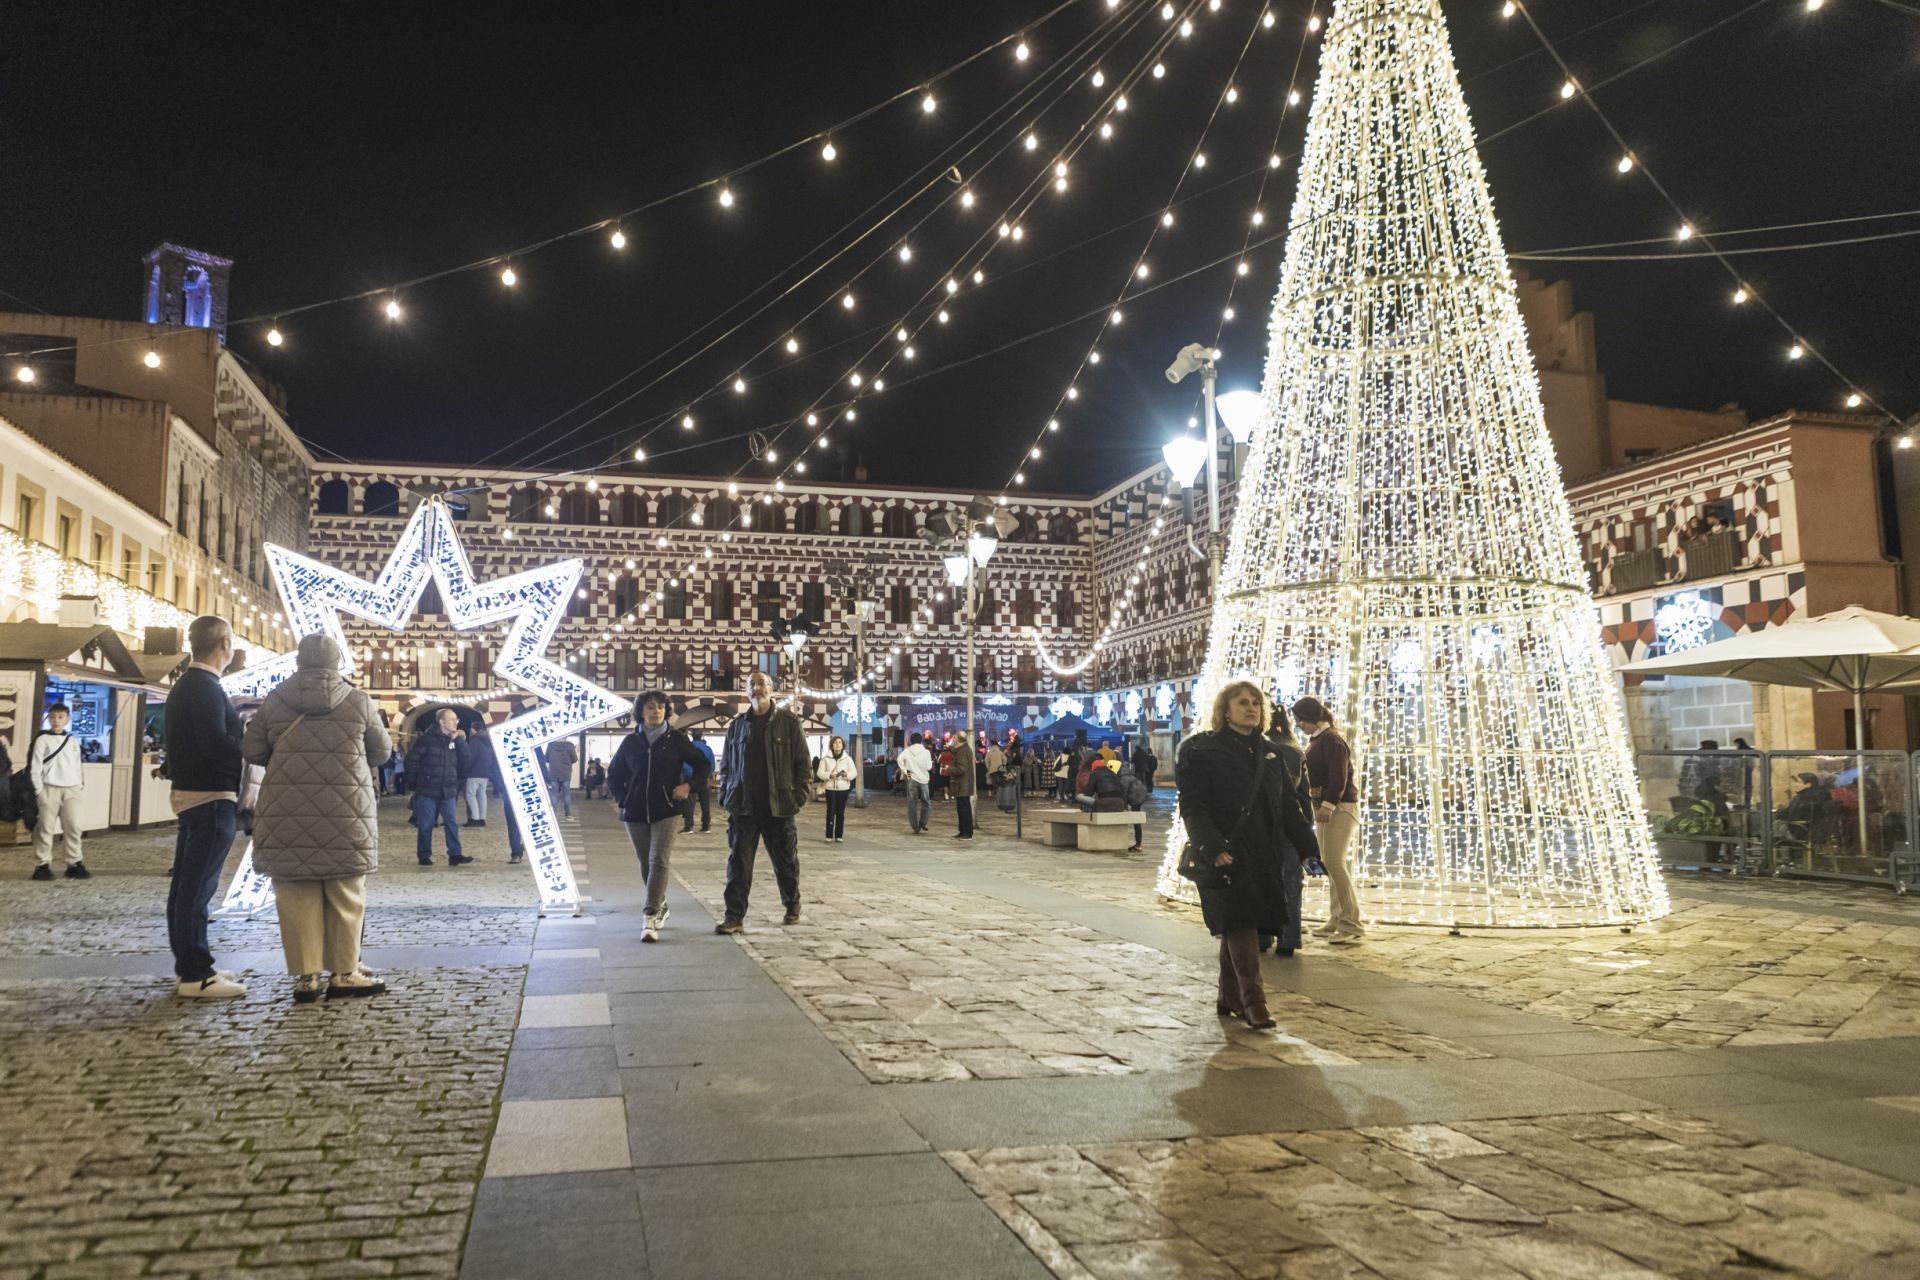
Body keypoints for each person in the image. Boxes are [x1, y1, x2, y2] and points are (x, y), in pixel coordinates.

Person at [243, 633, 392, 1004]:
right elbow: (382, 752)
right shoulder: (358, 700)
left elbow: (252, 750)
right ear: (336, 663)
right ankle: (345, 972)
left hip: (286, 808)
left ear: (298, 661)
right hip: (347, 809)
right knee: (345, 892)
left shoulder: (276, 701)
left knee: (295, 893)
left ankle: (306, 978)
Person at [1178, 680, 1318, 1030]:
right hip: (1227, 852)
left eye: (1256, 703)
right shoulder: (1203, 750)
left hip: (1264, 852)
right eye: (1242, 702)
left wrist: (1307, 851)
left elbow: (1289, 808)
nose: (1251, 708)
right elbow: (1194, 806)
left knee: (1240, 922)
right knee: (1241, 922)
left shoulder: (1271, 754)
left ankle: (1229, 995)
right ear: (1225, 710)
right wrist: (1212, 847)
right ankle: (1254, 1001)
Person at [162, 615, 248, 999]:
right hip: (211, 796)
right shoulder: (205, 688)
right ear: (224, 644)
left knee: (186, 887)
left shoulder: (188, 685)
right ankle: (197, 974)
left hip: (194, 795)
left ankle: (191, 966)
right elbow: (215, 744)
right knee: (197, 890)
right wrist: (244, 739)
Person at [608, 691, 709, 943]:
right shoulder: (631, 742)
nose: (656, 711)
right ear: (641, 711)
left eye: (661, 707)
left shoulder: (676, 739)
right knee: (645, 861)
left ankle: (650, 915)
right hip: (635, 811)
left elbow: (702, 765)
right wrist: (624, 798)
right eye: (651, 707)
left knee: (658, 859)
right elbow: (614, 774)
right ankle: (660, 902)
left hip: (667, 808)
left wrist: (688, 786)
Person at [715, 670, 811, 932]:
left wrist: (797, 797)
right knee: (739, 862)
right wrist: (725, 793)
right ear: (746, 691)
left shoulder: (789, 723)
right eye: (752, 684)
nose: (757, 688)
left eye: (762, 684)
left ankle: (792, 903)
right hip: (743, 806)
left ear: (772, 689)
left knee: (785, 861)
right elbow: (726, 765)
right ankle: (734, 916)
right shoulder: (737, 725)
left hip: (778, 805)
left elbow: (803, 764)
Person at [1293, 695, 1363, 944]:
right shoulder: (1319, 739)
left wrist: (1329, 803)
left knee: (1334, 863)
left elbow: (1339, 776)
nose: (1299, 725)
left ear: (1311, 717)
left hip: (1340, 807)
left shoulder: (1332, 738)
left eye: (1300, 720)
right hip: (1326, 806)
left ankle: (1351, 922)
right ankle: (1337, 917)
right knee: (1329, 863)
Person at [28, 702, 87, 880]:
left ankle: (74, 862)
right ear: (49, 718)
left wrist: (79, 784)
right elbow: (35, 766)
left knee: (74, 826)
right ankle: (42, 864)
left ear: (67, 719)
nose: (56, 721)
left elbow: (77, 765)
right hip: (49, 788)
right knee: (45, 827)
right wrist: (39, 789)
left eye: (60, 717)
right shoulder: (42, 739)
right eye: (53, 717)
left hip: (72, 788)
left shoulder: (73, 741)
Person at [407, 708, 470, 867]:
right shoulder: (426, 740)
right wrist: (415, 784)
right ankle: (424, 855)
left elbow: (467, 761)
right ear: (441, 722)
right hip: (427, 789)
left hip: (448, 789)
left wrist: (460, 741)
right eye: (451, 719)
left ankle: (455, 854)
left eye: (456, 719)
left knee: (451, 823)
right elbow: (411, 761)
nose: (455, 722)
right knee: (426, 824)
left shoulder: (455, 741)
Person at [815, 735, 856, 842]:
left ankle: (839, 835)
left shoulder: (848, 759)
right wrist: (829, 775)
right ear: (832, 745)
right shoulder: (825, 759)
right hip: (830, 788)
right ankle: (828, 835)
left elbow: (854, 773)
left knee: (840, 813)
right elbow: (819, 773)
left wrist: (846, 774)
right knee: (830, 811)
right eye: (835, 743)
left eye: (839, 743)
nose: (837, 745)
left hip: (843, 788)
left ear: (843, 745)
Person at [680, 733, 716, 834]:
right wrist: (705, 775)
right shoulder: (708, 749)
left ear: (692, 735)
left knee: (690, 804)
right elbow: (711, 764)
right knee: (705, 803)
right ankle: (706, 826)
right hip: (704, 780)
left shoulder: (689, 747)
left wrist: (689, 775)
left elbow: (684, 763)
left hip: (691, 780)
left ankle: (689, 827)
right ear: (701, 736)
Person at [899, 732, 934, 833]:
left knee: (912, 803)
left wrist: (907, 772)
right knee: (926, 802)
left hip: (912, 779)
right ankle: (923, 822)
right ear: (921, 740)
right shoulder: (926, 752)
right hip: (924, 780)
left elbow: (899, 760)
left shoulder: (907, 751)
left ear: (911, 741)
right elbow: (929, 767)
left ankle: (915, 826)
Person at [948, 727, 976, 840]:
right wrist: (949, 748)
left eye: (954, 737)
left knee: (964, 810)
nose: (953, 739)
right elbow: (956, 751)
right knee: (962, 808)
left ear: (958, 739)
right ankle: (963, 831)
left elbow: (961, 769)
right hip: (963, 785)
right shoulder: (963, 749)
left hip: (962, 785)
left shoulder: (963, 752)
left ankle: (966, 833)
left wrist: (949, 768)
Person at [462, 729, 493, 826]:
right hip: (485, 773)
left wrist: (466, 770)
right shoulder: (487, 741)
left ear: (474, 730)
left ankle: (475, 819)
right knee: (482, 796)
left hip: (474, 773)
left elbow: (470, 758)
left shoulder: (475, 741)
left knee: (470, 795)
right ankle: (482, 818)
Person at [545, 735, 579, 821]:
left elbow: (546, 758)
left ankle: (553, 815)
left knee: (554, 794)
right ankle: (568, 815)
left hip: (554, 772)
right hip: (566, 772)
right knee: (566, 794)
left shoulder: (550, 745)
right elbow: (575, 759)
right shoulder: (570, 746)